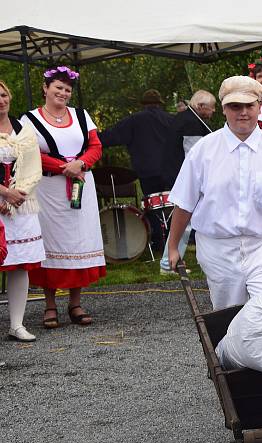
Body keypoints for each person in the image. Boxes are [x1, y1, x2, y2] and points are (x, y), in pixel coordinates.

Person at [167, 76, 262, 310]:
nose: (243, 112)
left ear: (259, 107)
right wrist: (173, 247)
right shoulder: (203, 151)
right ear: (223, 109)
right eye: (235, 106)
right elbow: (184, 203)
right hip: (218, 249)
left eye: (249, 106)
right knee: (229, 317)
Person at [20, 66, 104, 328]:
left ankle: (75, 303)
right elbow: (28, 152)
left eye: (67, 89)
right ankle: (49, 305)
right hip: (50, 189)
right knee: (52, 242)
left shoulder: (81, 116)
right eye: (58, 87)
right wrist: (61, 166)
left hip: (80, 183)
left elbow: (95, 145)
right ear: (45, 88)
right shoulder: (29, 119)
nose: (63, 93)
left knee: (78, 242)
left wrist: (80, 164)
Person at [98, 88, 172, 250]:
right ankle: (174, 239)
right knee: (171, 206)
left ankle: (159, 241)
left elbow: (111, 137)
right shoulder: (170, 120)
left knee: (152, 205)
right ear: (159, 104)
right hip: (170, 170)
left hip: (147, 170)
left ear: (143, 104)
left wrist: (91, 138)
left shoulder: (134, 120)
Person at [0, 80, 46, 341]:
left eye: (4, 94)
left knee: (20, 266)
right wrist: (4, 194)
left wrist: (19, 194)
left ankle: (16, 324)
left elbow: (33, 167)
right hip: (2, 200)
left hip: (22, 204)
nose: (1, 100)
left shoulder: (24, 130)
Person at [158, 89, 215, 275]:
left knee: (185, 219)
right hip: (183, 177)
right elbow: (195, 155)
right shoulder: (191, 123)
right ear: (200, 106)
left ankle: (170, 262)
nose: (213, 111)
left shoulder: (183, 118)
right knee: (185, 220)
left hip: (174, 173)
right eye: (211, 107)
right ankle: (168, 263)